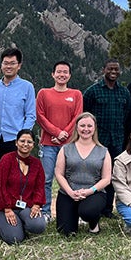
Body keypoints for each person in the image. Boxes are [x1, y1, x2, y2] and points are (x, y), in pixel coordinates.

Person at [35, 60, 83, 220]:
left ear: (69, 75)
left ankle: (72, 212)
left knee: (72, 179)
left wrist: (64, 134)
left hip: (69, 145)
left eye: (65, 72)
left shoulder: (76, 94)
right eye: (59, 72)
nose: (62, 75)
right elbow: (40, 116)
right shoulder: (43, 93)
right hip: (48, 144)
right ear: (53, 74)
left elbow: (78, 117)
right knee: (46, 179)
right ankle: (46, 212)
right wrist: (56, 132)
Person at [83, 59, 130, 217]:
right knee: (95, 174)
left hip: (117, 140)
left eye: (116, 69)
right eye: (110, 68)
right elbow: (85, 115)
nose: (113, 72)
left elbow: (126, 115)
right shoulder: (92, 91)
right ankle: (92, 205)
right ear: (104, 70)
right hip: (98, 141)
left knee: (113, 175)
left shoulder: (124, 93)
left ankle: (107, 209)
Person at [0, 47, 36, 199]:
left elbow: (30, 115)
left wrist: (23, 138)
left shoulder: (27, 87)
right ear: (1, 65)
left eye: (12, 63)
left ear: (19, 65)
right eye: (5, 63)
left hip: (14, 140)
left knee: (15, 177)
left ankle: (14, 212)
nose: (8, 66)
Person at [54, 112, 112, 236]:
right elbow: (59, 174)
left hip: (93, 193)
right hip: (69, 192)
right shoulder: (66, 148)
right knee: (65, 232)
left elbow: (106, 179)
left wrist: (89, 191)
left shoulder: (103, 151)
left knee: (88, 212)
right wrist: (70, 192)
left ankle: (93, 223)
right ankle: (72, 214)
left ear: (94, 128)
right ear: (76, 127)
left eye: (89, 126)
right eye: (82, 125)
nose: (86, 129)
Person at [0, 129, 47, 244]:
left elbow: (39, 187)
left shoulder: (36, 163)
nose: (25, 144)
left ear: (33, 145)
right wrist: (7, 209)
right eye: (22, 141)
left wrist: (37, 204)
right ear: (16, 142)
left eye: (29, 142)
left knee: (39, 226)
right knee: (14, 239)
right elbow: (0, 187)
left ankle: (19, 225)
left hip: (26, 206)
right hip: (5, 207)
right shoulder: (6, 159)